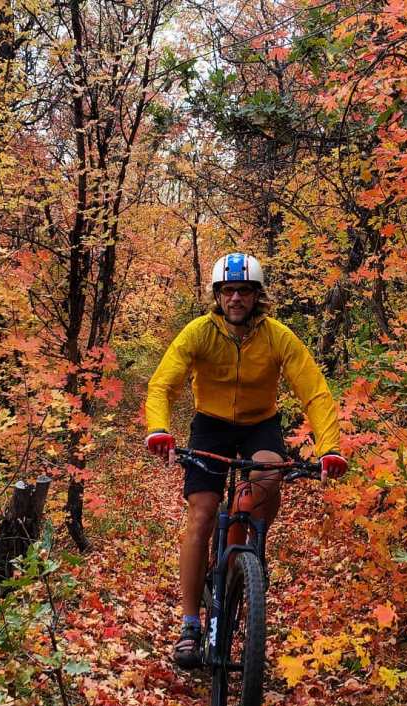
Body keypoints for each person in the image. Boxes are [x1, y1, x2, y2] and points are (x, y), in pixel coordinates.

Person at [144, 253, 348, 668]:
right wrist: (159, 428)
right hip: (211, 425)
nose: (236, 298)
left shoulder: (277, 337)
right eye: (228, 291)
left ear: (258, 296)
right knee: (201, 515)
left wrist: (329, 447)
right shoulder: (198, 333)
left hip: (260, 425)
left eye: (245, 291)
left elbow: (315, 391)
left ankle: (244, 557)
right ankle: (189, 625)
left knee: (265, 480)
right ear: (218, 296)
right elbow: (163, 383)